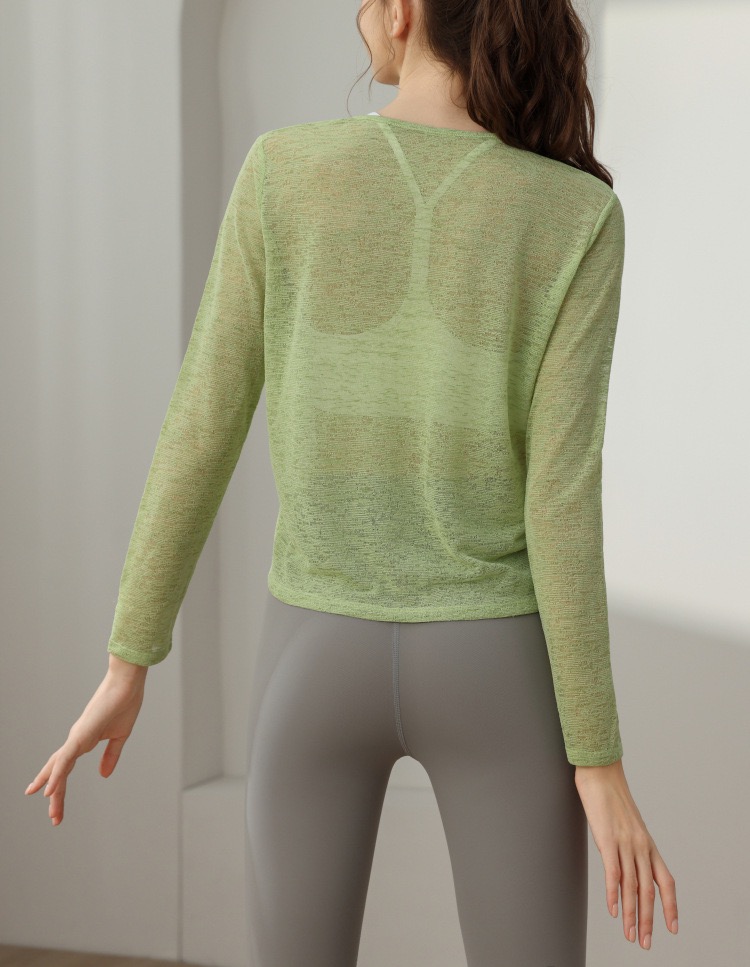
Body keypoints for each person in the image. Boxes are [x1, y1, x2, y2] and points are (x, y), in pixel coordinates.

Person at [25, 0, 679, 963]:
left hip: (311, 655)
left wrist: (130, 661)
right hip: (496, 663)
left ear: (406, 11)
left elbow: (200, 431)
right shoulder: (577, 215)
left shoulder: (281, 173)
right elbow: (561, 501)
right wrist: (599, 759)